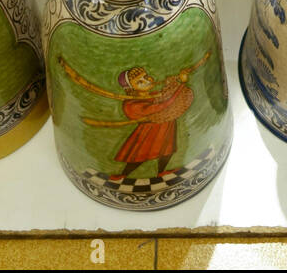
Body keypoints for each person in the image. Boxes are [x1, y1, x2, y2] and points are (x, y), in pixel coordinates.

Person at [58, 51, 212, 181]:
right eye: (141, 81)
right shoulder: (132, 104)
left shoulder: (152, 94)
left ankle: (162, 171)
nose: (148, 80)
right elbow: (161, 105)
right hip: (149, 132)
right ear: (131, 89)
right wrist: (178, 88)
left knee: (168, 150)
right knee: (139, 155)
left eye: (146, 77)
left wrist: (178, 83)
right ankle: (122, 175)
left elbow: (165, 98)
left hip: (165, 126)